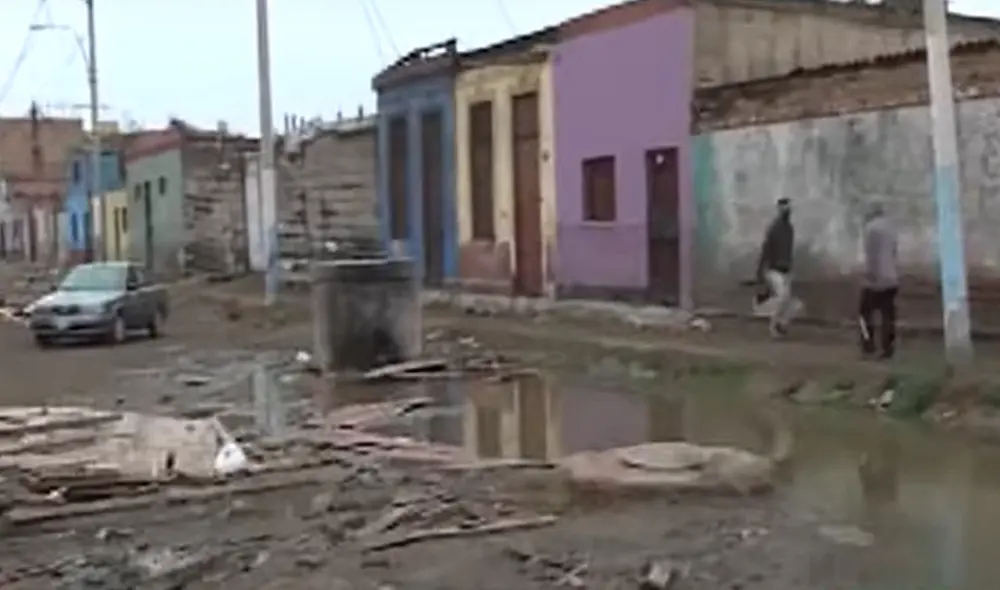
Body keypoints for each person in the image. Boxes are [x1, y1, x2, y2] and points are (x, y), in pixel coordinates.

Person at [859, 202, 898, 359]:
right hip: (892, 278)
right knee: (887, 314)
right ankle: (888, 347)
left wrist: (869, 275)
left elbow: (871, 255)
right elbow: (894, 252)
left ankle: (869, 345)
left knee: (864, 312)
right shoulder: (891, 228)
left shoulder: (870, 229)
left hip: (876, 279)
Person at [756, 198, 795, 338]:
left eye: (788, 208)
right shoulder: (774, 228)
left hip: (786, 270)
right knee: (782, 296)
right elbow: (766, 250)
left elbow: (788, 250)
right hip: (774, 270)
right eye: (785, 208)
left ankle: (782, 324)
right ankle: (774, 326)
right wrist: (760, 272)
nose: (787, 210)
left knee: (788, 300)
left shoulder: (789, 229)